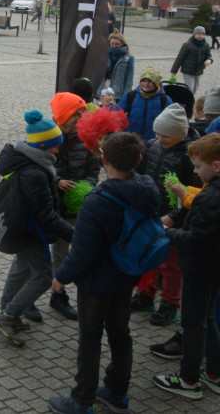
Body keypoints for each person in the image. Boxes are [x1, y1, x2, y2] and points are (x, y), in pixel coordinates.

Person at [47, 132, 157, 414]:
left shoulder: (97, 201)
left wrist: (61, 278)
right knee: (121, 334)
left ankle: (82, 400)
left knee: (90, 339)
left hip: (97, 282)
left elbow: (82, 253)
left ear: (103, 159)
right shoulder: (148, 188)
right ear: (139, 160)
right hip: (127, 274)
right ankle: (117, 393)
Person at [0, 110, 74, 347]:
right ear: (42, 147)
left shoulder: (29, 159)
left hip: (22, 227)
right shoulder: (34, 172)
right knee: (43, 277)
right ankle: (9, 315)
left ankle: (6, 311)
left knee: (21, 268)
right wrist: (74, 235)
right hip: (29, 231)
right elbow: (45, 215)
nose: (57, 151)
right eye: (54, 147)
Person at [153, 133, 220, 400]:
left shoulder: (209, 198)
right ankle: (214, 373)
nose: (194, 171)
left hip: (200, 269)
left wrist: (165, 232)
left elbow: (194, 241)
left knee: (193, 325)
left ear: (216, 166)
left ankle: (188, 379)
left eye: (198, 166)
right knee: (210, 319)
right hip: (215, 268)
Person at [130, 104, 199, 327]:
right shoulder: (152, 145)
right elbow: (140, 174)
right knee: (149, 255)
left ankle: (170, 303)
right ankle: (146, 293)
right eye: (158, 132)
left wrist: (173, 216)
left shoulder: (190, 156)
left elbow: (192, 194)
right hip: (151, 213)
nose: (161, 137)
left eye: (166, 134)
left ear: (180, 133)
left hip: (175, 220)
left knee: (171, 265)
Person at [44, 92, 96, 323]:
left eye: (82, 113)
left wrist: (86, 188)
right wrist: (57, 181)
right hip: (50, 204)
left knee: (65, 251)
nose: (81, 118)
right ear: (64, 117)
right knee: (41, 253)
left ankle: (59, 293)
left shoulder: (88, 139)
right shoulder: (47, 137)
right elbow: (40, 167)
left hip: (76, 207)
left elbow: (93, 172)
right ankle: (25, 302)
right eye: (77, 114)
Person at [118, 67, 172, 140]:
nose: (146, 84)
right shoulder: (130, 96)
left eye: (150, 81)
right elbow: (118, 114)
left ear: (156, 83)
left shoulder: (164, 99)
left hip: (153, 140)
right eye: (143, 81)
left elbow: (169, 121)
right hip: (131, 139)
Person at [170, 26, 213, 94]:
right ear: (194, 34)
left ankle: (189, 99)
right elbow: (179, 58)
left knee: (195, 88)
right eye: (199, 34)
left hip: (198, 71)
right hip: (187, 70)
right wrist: (174, 72)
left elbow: (209, 55)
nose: (200, 36)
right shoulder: (187, 45)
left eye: (202, 34)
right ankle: (189, 102)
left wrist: (209, 60)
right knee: (190, 88)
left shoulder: (206, 45)